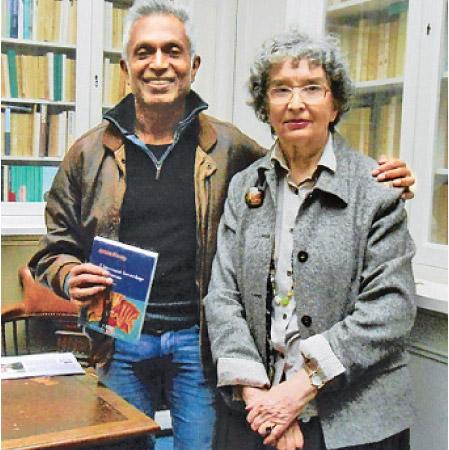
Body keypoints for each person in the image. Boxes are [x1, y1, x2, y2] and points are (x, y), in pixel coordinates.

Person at [28, 1, 415, 449]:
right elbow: (53, 248)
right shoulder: (87, 153)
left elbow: (303, 155)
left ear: (193, 66)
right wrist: (67, 274)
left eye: (172, 51)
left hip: (199, 343)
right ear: (125, 67)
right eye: (144, 52)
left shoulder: (230, 148)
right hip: (121, 340)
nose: (159, 64)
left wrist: (391, 177)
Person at [204, 31, 416, 450]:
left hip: (354, 419)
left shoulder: (375, 190)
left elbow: (390, 309)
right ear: (266, 106)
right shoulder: (244, 187)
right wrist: (260, 398)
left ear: (334, 103)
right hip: (255, 409)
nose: (295, 103)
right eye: (281, 90)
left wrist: (298, 390)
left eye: (312, 89)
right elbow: (222, 297)